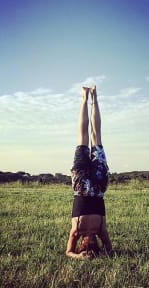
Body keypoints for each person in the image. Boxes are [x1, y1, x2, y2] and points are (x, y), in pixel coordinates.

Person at [66, 85, 112, 260]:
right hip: (84, 184)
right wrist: (81, 256)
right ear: (82, 245)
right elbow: (69, 252)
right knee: (86, 137)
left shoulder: (99, 231)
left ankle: (92, 97)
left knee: (94, 136)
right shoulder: (78, 231)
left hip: (95, 186)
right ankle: (87, 97)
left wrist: (80, 257)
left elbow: (108, 249)